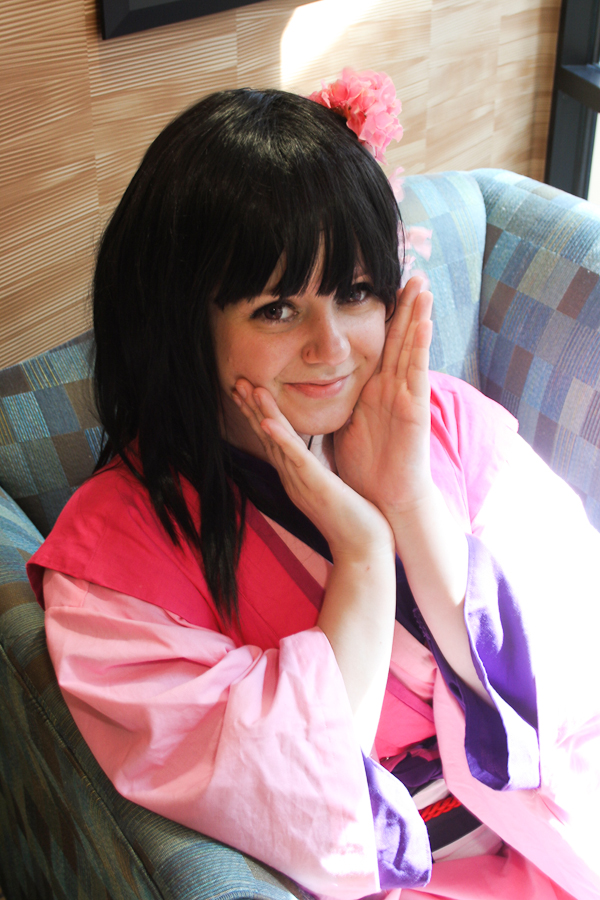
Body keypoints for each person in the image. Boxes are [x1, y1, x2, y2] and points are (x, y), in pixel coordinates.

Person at [26, 73, 600, 900]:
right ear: (181, 322)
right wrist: (363, 558)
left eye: (355, 292)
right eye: (276, 309)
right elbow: (285, 797)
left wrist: (409, 503)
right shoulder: (116, 560)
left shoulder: (442, 423)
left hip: (551, 831)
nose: (331, 347)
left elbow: (576, 658)